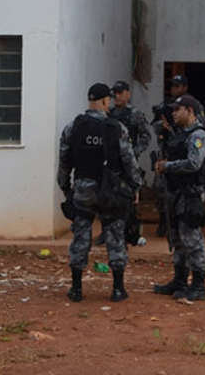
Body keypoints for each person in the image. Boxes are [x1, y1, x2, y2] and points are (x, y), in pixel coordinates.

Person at [57, 83, 142, 302]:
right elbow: (129, 161)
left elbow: (64, 161)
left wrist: (66, 187)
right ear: (106, 101)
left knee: (80, 237)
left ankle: (76, 289)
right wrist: (134, 188)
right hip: (110, 190)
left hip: (83, 189)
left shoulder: (73, 127)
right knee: (115, 236)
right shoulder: (117, 128)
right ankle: (117, 289)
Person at [153, 94, 205, 300]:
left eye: (178, 110)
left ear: (190, 111)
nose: (174, 114)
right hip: (175, 194)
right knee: (177, 239)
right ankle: (179, 279)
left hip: (190, 194)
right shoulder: (179, 134)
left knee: (192, 241)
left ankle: (198, 284)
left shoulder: (198, 136)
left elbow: (194, 163)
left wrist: (167, 166)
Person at [94, 80, 151, 246]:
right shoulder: (109, 113)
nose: (117, 97)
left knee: (129, 199)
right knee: (107, 198)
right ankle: (106, 232)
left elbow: (145, 136)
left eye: (120, 93)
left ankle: (129, 232)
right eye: (114, 94)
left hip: (128, 164)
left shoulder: (134, 113)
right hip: (111, 165)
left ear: (128, 94)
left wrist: (134, 152)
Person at [152, 75, 205, 236]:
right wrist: (161, 127)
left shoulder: (193, 107)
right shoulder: (164, 106)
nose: (174, 88)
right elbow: (155, 126)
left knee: (189, 228)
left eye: (178, 86)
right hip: (170, 151)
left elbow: (194, 162)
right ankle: (164, 221)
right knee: (162, 190)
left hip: (186, 172)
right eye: (173, 85)